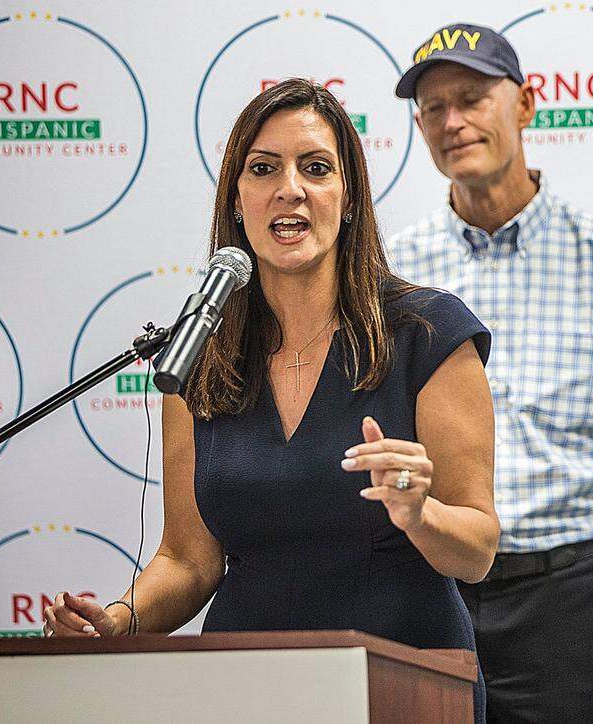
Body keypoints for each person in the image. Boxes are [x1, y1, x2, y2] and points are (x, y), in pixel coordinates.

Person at [43, 79, 497, 722]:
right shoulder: (197, 353)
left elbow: (477, 550)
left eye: (316, 168)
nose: (290, 188)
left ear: (348, 198)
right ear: (236, 200)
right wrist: (119, 619)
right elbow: (187, 560)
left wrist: (419, 513)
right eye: (263, 169)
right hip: (246, 689)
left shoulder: (427, 332)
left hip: (403, 685)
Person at [388, 23, 593, 723]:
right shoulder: (394, 273)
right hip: (430, 590)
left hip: (573, 601)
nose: (453, 122)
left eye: (472, 98)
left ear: (525, 104)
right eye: (434, 108)